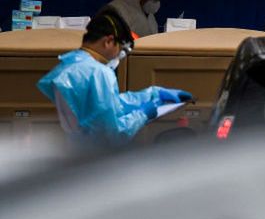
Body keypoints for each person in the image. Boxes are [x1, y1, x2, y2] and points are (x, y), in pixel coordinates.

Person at [37, 9, 192, 146]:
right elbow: (112, 134)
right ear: (109, 41)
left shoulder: (69, 65)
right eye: (121, 49)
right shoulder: (98, 73)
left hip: (76, 151)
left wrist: (153, 94)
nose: (119, 55)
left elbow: (110, 105)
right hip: (95, 157)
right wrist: (143, 114)